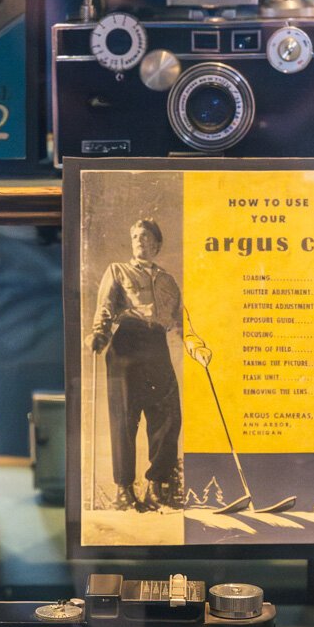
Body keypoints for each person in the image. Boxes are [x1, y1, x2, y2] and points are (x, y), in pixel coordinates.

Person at [85, 218, 209, 511]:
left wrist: (195, 346)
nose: (139, 241)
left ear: (156, 244)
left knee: (168, 416)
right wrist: (99, 335)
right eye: (136, 236)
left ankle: (158, 486)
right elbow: (105, 306)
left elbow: (181, 320)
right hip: (127, 343)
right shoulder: (118, 270)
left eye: (145, 237)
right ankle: (124, 490)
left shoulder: (168, 281)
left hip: (157, 345)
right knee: (124, 419)